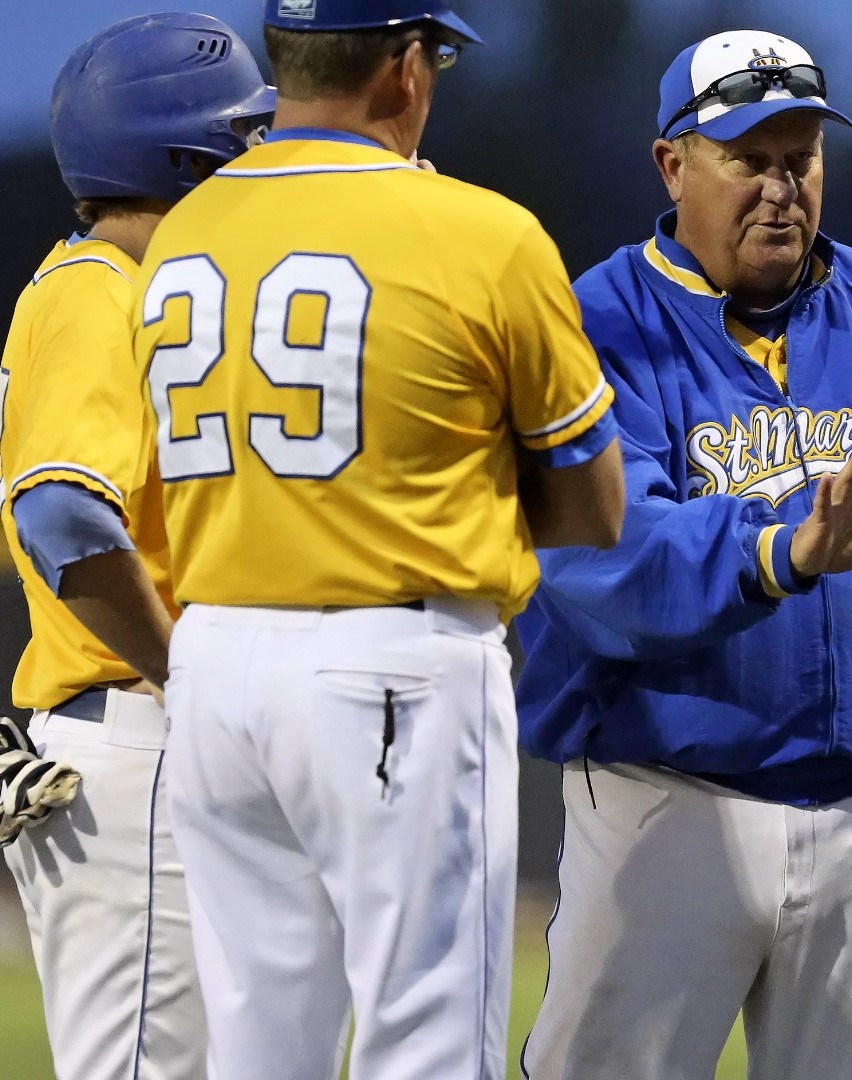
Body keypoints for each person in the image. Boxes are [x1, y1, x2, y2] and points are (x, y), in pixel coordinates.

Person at [127, 0, 624, 1075]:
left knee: (260, 1042)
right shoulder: (479, 232)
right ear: (404, 68)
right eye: (433, 56)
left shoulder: (182, 231)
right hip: (393, 662)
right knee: (429, 1036)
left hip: (212, 663)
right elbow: (597, 504)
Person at [514, 29, 852, 1080]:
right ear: (672, 163)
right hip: (669, 795)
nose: (780, 189)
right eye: (748, 157)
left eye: (800, 157)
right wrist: (778, 553)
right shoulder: (594, 323)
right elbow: (600, 552)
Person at [0, 15, 272, 1079]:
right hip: (134, 743)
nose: (263, 158)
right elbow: (62, 515)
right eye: (244, 139)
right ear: (190, 158)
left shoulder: (163, 298)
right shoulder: (94, 293)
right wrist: (188, 673)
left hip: (152, 741)